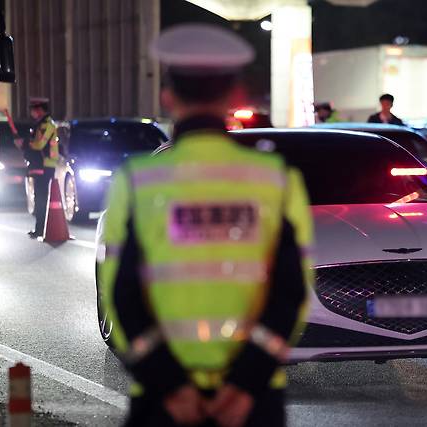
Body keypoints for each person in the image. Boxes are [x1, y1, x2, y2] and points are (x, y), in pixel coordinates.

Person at [97, 24, 314, 427]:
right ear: (233, 96)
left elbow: (121, 296)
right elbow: (291, 296)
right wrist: (245, 387)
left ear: (167, 96)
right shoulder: (278, 180)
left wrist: (171, 386)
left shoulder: (138, 181)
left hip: (163, 401)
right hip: (253, 403)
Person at [16, 97, 58, 239]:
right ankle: (39, 228)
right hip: (41, 164)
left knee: (42, 198)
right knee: (39, 197)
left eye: (33, 109)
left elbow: (40, 144)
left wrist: (26, 144)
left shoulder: (47, 125)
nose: (31, 113)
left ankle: (41, 229)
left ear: (40, 110)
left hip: (46, 165)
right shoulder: (40, 124)